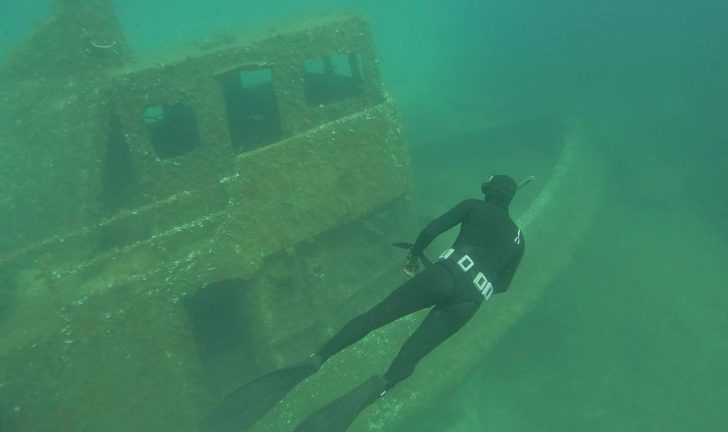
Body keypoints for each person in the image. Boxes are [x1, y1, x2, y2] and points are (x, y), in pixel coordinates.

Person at [203, 174, 530, 432]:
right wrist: (474, 278)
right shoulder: (519, 238)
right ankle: (378, 387)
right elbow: (501, 286)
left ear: (489, 191)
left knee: (373, 318)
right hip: (470, 303)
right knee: (410, 357)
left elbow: (431, 229)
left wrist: (415, 254)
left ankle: (316, 360)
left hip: (444, 274)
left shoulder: (474, 205)